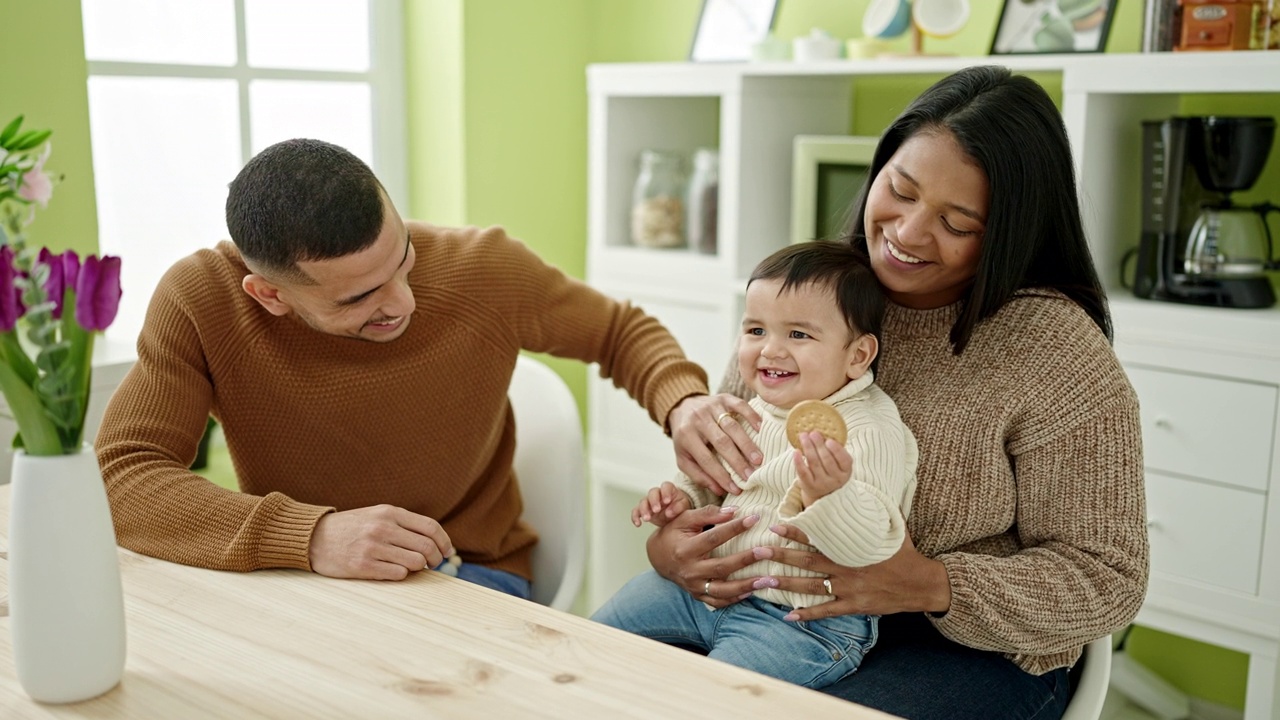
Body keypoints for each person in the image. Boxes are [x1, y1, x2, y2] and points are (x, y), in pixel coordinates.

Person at [636, 65, 1149, 719]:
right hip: (765, 608)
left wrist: (930, 584)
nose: (906, 233)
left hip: (961, 652)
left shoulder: (1055, 352)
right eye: (899, 191)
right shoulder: (813, 297)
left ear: (1009, 233)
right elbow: (723, 474)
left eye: (957, 223)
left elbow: (1108, 578)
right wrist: (672, 544)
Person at [94, 138, 709, 599]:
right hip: (303, 573)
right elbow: (121, 478)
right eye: (357, 298)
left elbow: (618, 331)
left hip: (469, 569)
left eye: (402, 260)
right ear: (269, 295)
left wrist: (682, 403)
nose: (401, 302)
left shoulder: (481, 267)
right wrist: (310, 536)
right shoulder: (202, 299)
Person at [593, 241, 919, 689]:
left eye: (798, 335)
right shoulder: (754, 406)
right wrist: (680, 497)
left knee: (706, 698)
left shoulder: (868, 427)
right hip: (701, 594)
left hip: (800, 623)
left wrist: (831, 494)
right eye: (756, 330)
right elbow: (711, 477)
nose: (770, 351)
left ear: (857, 355)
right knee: (590, 638)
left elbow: (873, 544)